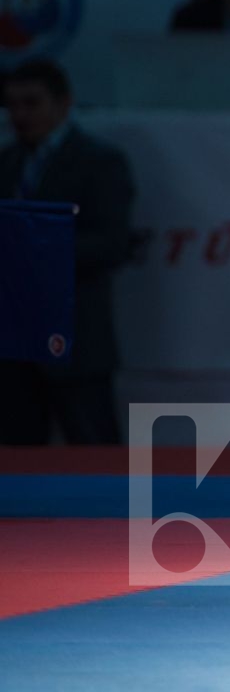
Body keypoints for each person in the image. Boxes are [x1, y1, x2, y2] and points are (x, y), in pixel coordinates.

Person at [0, 59, 135, 444]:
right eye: (12, 104)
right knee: (17, 464)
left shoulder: (100, 163)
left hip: (76, 341)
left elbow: (112, 243)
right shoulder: (6, 163)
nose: (20, 115)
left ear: (64, 103)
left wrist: (31, 252)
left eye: (31, 103)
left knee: (96, 455)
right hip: (13, 343)